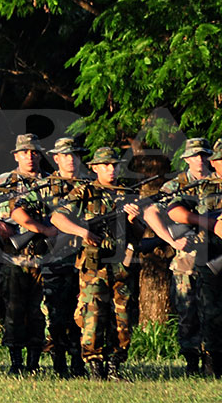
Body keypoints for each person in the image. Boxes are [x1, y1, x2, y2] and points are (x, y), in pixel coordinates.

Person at [50, 147, 156, 380]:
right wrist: (82, 231)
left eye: (114, 165)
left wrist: (131, 219)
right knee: (92, 315)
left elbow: (138, 233)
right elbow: (57, 217)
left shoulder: (127, 194)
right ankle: (95, 365)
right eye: (105, 165)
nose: (111, 169)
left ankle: (115, 364)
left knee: (123, 316)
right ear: (95, 168)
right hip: (93, 265)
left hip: (121, 264)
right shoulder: (84, 192)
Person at [9, 137, 90, 377]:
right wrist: (43, 229)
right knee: (56, 315)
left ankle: (80, 362)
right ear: (56, 159)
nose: (70, 160)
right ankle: (59, 364)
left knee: (83, 313)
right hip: (55, 260)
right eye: (65, 155)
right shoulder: (45, 186)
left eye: (74, 155)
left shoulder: (90, 185)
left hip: (86, 261)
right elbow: (17, 210)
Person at [157, 138, 222, 376]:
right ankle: (191, 359)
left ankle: (211, 358)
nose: (200, 160)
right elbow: (170, 214)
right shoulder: (178, 185)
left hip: (215, 254)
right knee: (188, 310)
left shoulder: (214, 184)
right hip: (187, 257)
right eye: (195, 156)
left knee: (212, 310)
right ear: (185, 159)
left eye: (204, 155)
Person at [0, 133, 48, 374]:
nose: (30, 156)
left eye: (34, 152)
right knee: (14, 310)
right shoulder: (4, 181)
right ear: (16, 155)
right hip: (13, 257)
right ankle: (16, 363)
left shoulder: (51, 181)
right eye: (24, 152)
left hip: (45, 256)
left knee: (40, 312)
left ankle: (35, 362)